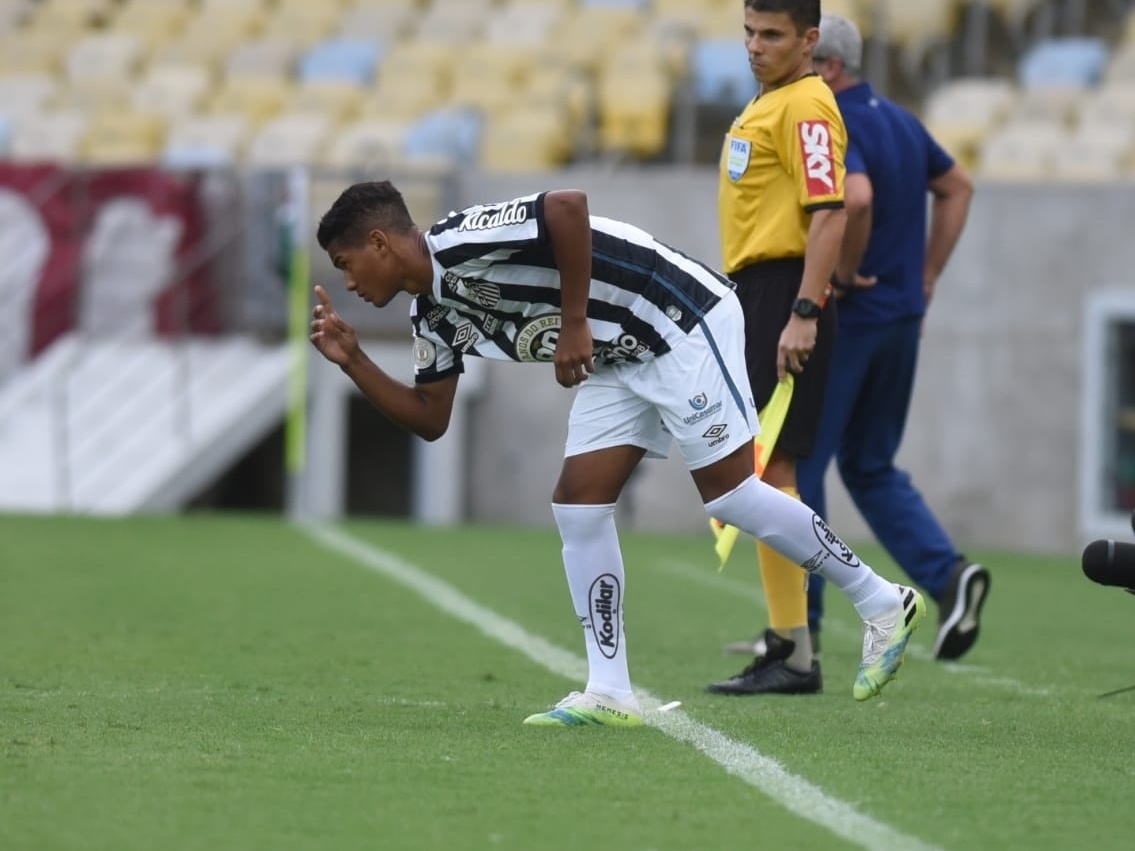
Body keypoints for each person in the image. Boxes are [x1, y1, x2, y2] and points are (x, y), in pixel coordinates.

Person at [309, 180, 927, 726]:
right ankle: (609, 691)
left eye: (347, 262)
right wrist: (355, 361)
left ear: (382, 243)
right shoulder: (433, 315)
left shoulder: (461, 241)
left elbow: (567, 207)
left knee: (731, 493)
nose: (349, 281)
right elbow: (430, 418)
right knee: (579, 506)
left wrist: (575, 321)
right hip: (619, 356)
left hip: (678, 315)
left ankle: (882, 601)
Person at [726, 13, 989, 663]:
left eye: (772, 37)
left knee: (792, 464)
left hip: (845, 315)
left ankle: (798, 628)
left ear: (824, 60)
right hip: (901, 317)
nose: (756, 49)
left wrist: (831, 285)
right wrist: (925, 276)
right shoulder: (900, 120)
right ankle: (948, 575)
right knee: (870, 465)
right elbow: (956, 186)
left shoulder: (828, 113)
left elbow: (855, 198)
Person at [706, 0, 847, 696]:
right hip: (756, 290)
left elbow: (829, 215)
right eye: (748, 33)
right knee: (765, 470)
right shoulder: (771, 101)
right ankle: (788, 647)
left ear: (808, 39)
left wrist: (803, 310)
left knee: (771, 468)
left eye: (771, 35)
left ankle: (794, 653)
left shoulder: (806, 107)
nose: (754, 47)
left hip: (783, 290)